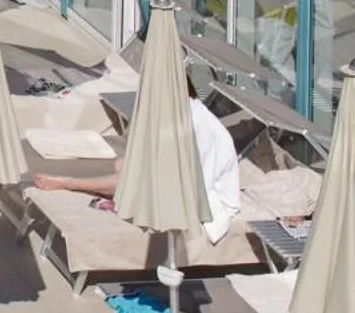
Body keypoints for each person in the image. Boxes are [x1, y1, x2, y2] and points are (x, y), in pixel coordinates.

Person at [33, 76, 242, 243]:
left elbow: (197, 188)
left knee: (131, 178)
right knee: (122, 164)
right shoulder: (189, 115)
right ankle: (117, 191)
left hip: (208, 202)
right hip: (186, 182)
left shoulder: (202, 130)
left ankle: (68, 183)